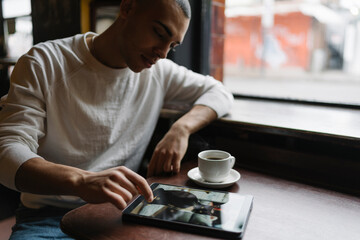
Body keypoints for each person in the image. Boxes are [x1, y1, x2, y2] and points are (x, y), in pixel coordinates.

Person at [0, 0, 233, 239]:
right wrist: (81, 181)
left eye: (172, 45)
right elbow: (7, 154)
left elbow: (220, 93)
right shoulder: (45, 62)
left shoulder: (159, 72)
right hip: (48, 215)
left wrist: (181, 129)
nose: (162, 53)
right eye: (159, 33)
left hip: (121, 211)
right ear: (128, 8)